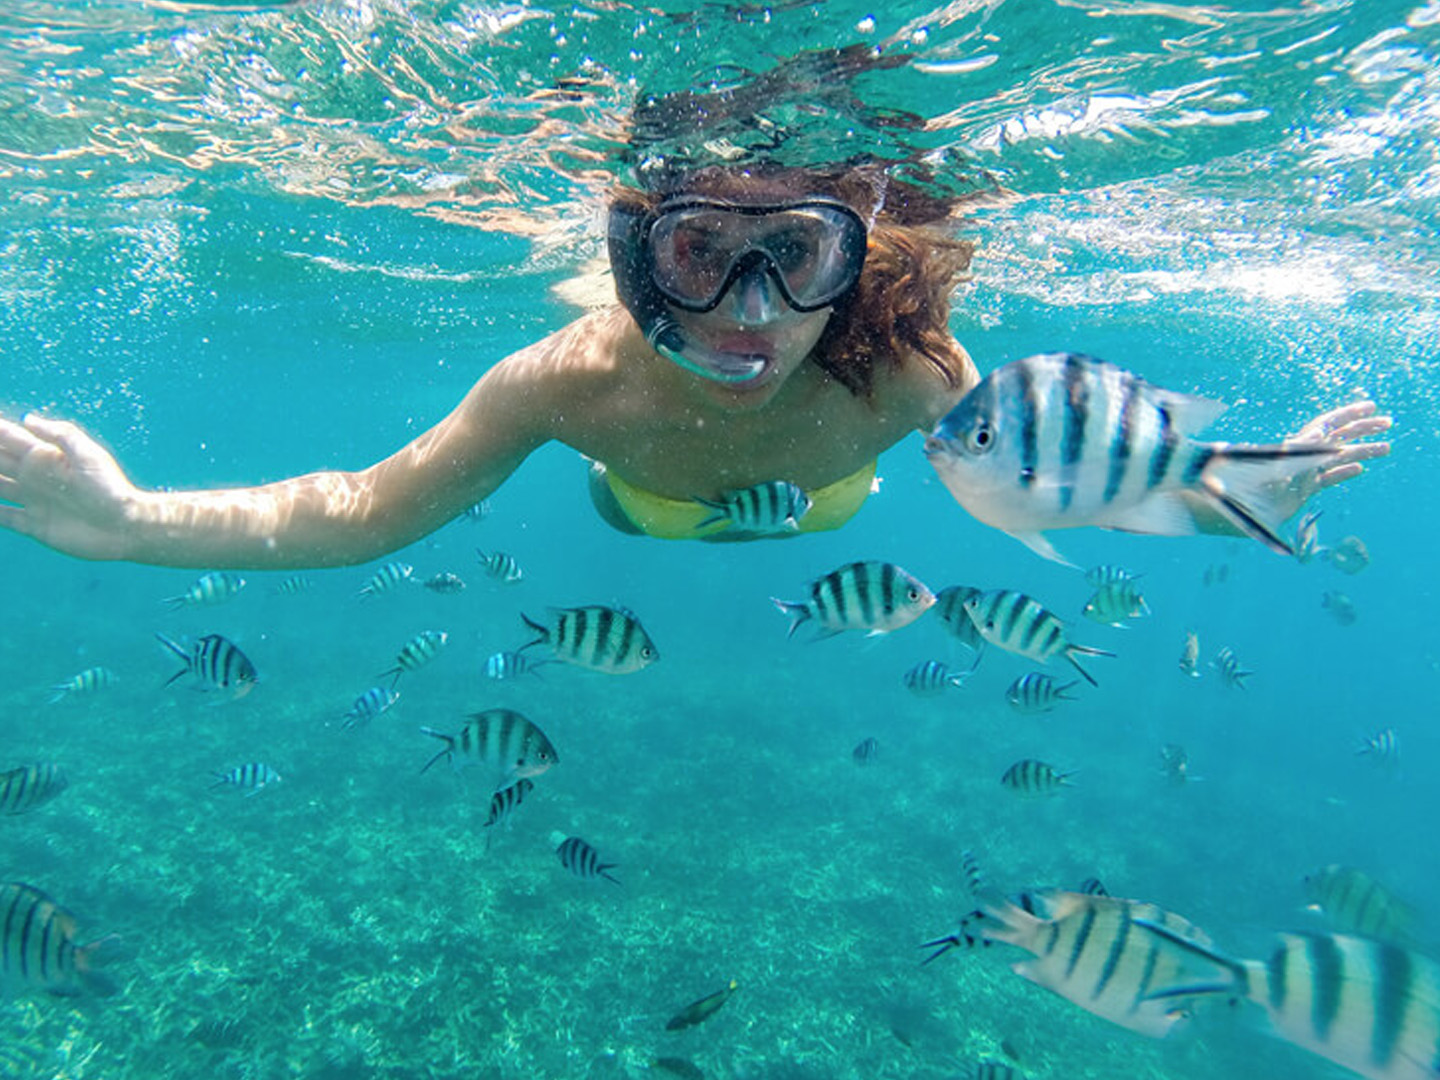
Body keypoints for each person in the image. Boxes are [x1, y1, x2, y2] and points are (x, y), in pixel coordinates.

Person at [0, 159, 1390, 570]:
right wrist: (127, 521)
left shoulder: (910, 384)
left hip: (834, 493)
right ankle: (652, 512)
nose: (751, 310)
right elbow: (366, 507)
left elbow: (1072, 475)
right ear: (634, 260)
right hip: (638, 488)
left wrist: (1248, 492)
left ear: (857, 264)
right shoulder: (562, 385)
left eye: (797, 254)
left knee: (839, 506)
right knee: (643, 512)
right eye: (698, 254)